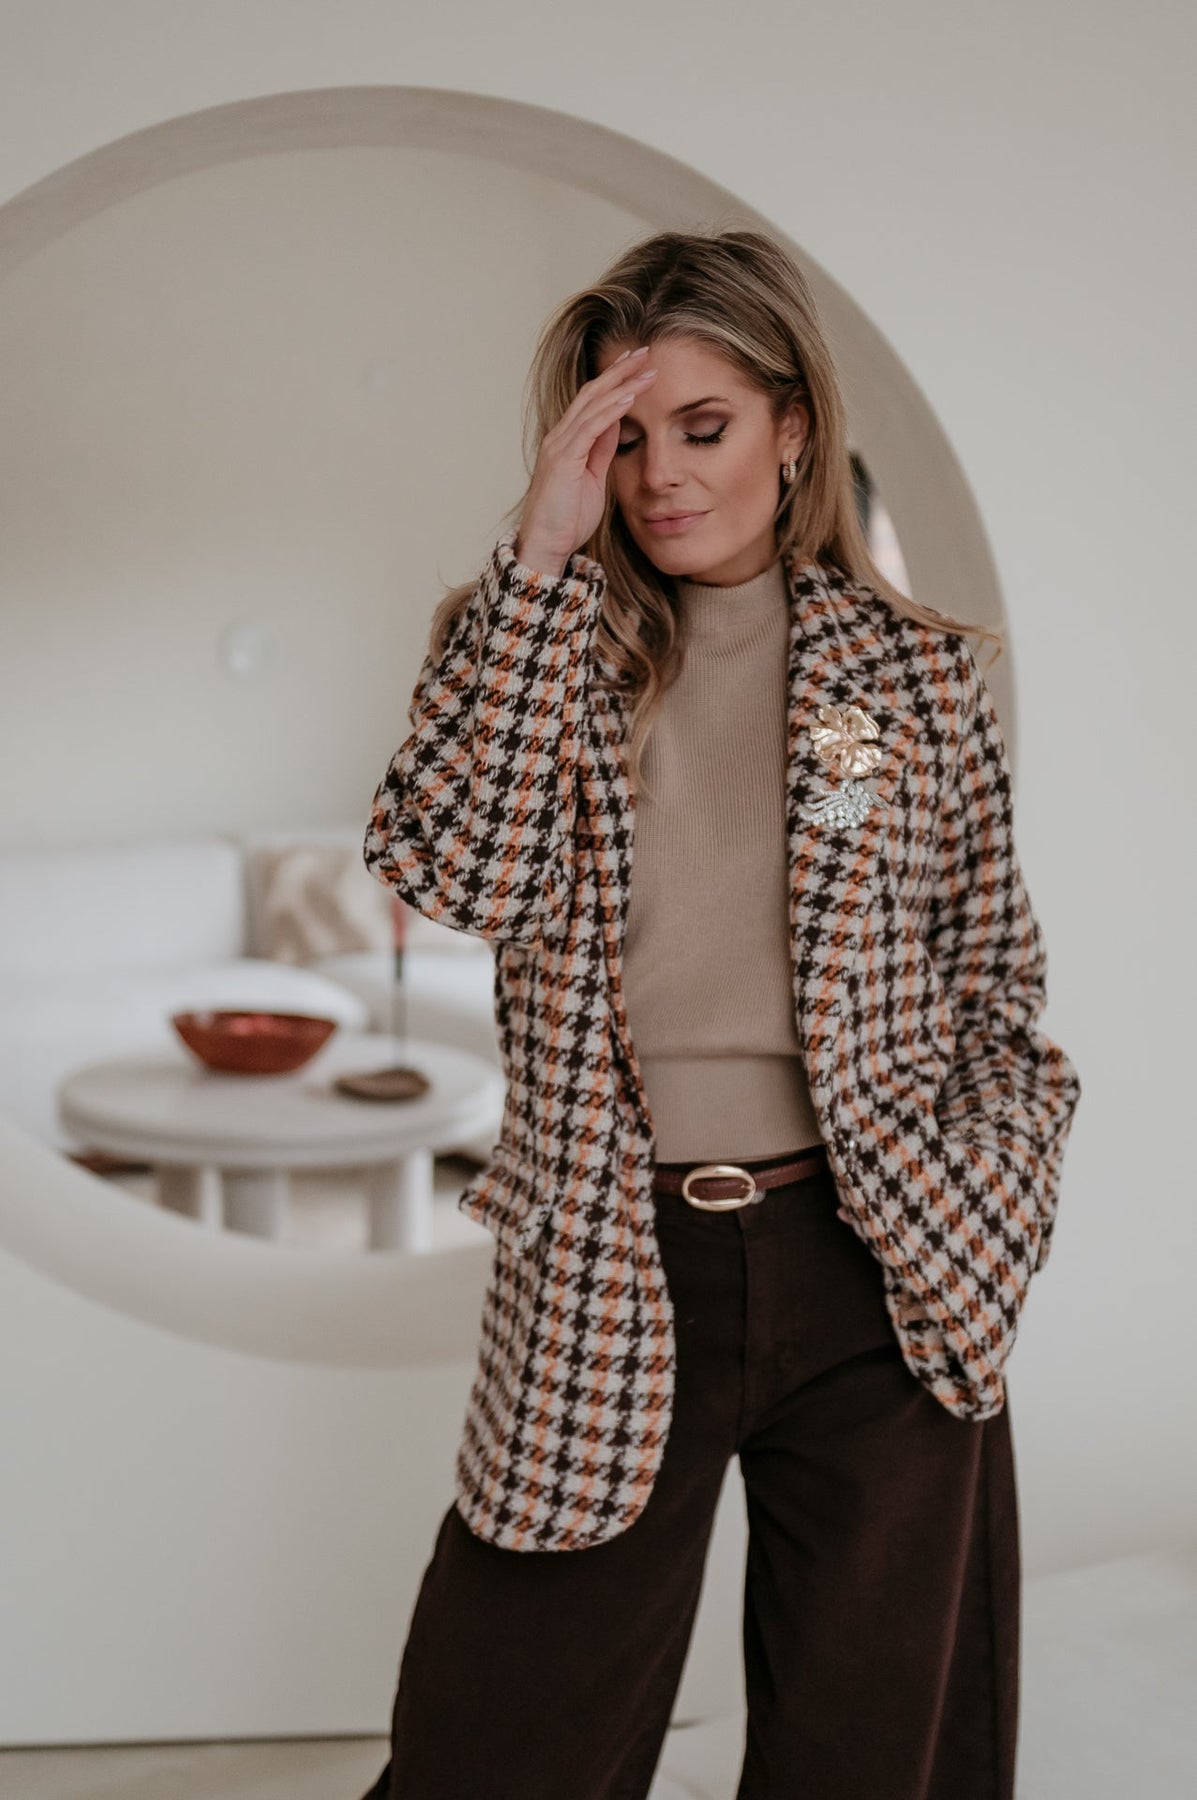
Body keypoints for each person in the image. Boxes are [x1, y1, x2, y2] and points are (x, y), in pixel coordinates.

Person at [358, 227, 1082, 1799]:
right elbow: (450, 870)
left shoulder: (909, 680)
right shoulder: (537, 648)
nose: (661, 476)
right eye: (623, 442)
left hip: (880, 1257)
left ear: (791, 428)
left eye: (703, 427)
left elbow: (993, 986)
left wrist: (991, 1203)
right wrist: (539, 563)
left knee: (871, 1753)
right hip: (616, 1256)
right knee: (501, 1746)